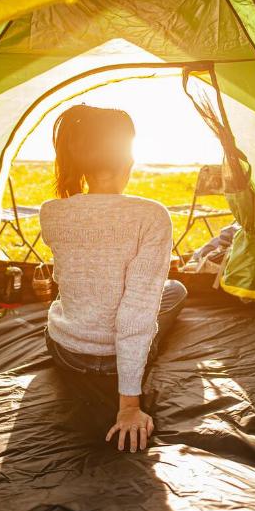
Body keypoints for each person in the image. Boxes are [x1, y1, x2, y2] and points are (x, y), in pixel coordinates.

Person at [39, 104, 187, 453]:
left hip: (66, 349)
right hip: (113, 360)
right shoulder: (152, 216)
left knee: (91, 299)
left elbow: (64, 279)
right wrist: (129, 407)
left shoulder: (51, 212)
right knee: (175, 290)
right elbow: (136, 313)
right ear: (128, 160)